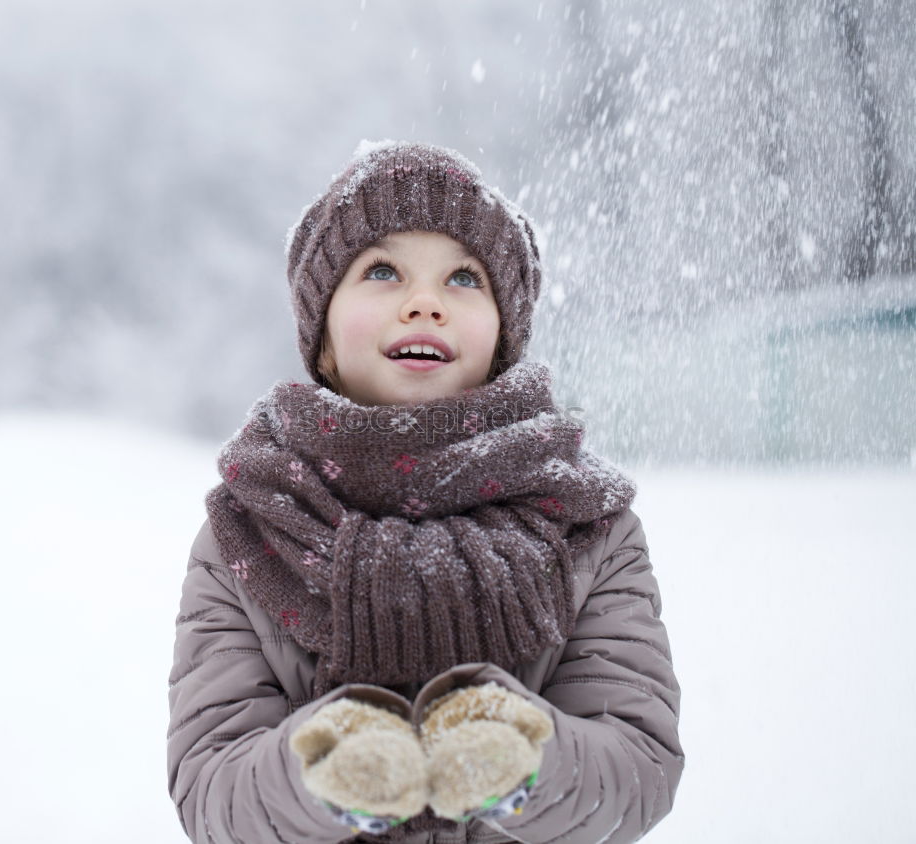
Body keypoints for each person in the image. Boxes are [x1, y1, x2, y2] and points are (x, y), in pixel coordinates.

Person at [167, 140, 684, 843]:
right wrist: (322, 771)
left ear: (504, 334)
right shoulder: (253, 526)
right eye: (382, 270)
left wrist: (522, 760)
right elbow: (212, 791)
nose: (425, 303)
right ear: (321, 336)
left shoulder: (588, 525)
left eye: (464, 279)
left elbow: (638, 766)